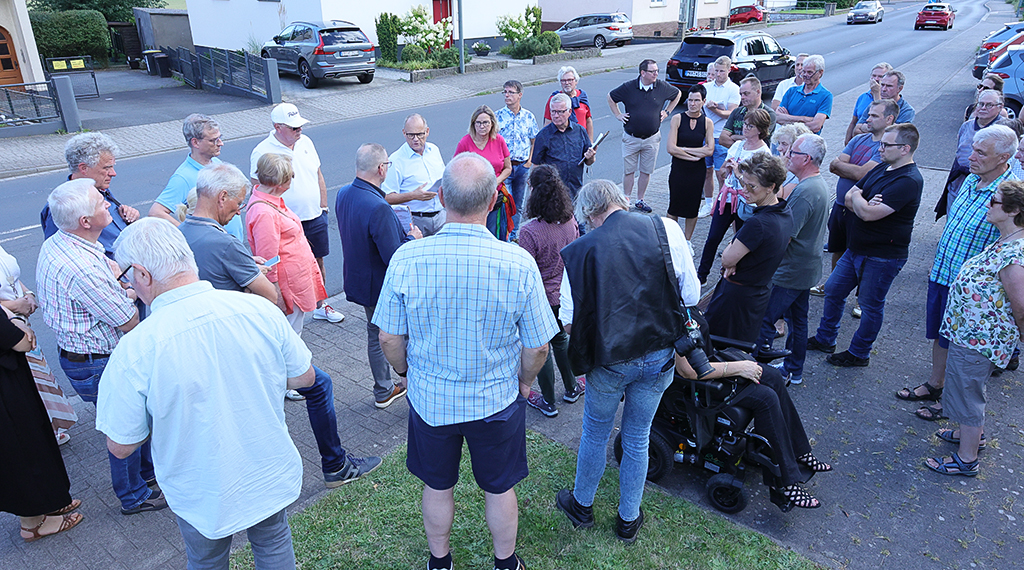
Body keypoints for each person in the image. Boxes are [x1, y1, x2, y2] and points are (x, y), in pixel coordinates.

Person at [95, 217, 316, 569]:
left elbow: (121, 445)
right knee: (274, 543)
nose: (128, 286)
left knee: (206, 560)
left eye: (126, 277)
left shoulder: (136, 349)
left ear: (143, 274)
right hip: (266, 465)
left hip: (199, 485)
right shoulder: (259, 311)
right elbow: (304, 377)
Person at [374, 152, 557, 570]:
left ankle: (439, 562)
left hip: (431, 400)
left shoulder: (407, 258)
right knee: (499, 488)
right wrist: (525, 383)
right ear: (493, 200)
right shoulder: (518, 263)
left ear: (441, 198)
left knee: (437, 486)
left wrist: (405, 373)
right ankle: (505, 563)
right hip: (495, 401)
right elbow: (538, 348)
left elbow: (388, 336)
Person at [184, 163, 383, 486]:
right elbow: (266, 294)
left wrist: (246, 268)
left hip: (213, 344)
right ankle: (334, 465)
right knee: (317, 385)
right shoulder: (225, 242)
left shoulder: (183, 234)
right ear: (221, 197)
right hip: (242, 340)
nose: (239, 210)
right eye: (237, 203)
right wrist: (255, 277)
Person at [554, 179, 700, 543]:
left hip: (610, 361)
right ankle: (628, 519)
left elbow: (569, 322)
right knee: (637, 437)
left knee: (595, 433)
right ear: (621, 200)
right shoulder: (666, 228)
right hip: (659, 354)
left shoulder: (580, 250)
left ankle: (582, 506)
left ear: (588, 213)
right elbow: (691, 294)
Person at [36, 179, 163, 516]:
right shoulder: (81, 268)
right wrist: (132, 293)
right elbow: (128, 320)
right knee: (126, 424)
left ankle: (147, 474)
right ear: (85, 221)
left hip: (87, 356)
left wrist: (120, 289)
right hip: (98, 361)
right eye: (100, 202)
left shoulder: (64, 241)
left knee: (136, 417)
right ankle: (134, 495)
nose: (108, 204)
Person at [899, 125, 1017, 419]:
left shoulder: (1008, 195)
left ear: (1003, 158)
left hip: (972, 291)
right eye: (973, 149)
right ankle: (936, 384)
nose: (970, 157)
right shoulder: (971, 179)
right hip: (944, 272)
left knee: (962, 348)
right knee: (940, 334)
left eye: (980, 153)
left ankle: (950, 404)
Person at [676, 312, 830, 508]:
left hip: (712, 364)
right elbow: (687, 371)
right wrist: (739, 368)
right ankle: (785, 482)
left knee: (774, 376)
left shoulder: (687, 306)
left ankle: (799, 451)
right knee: (766, 398)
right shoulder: (672, 314)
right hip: (699, 384)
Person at [925, 181, 1024, 477]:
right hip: (969, 334)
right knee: (964, 387)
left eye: (994, 201)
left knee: (968, 393)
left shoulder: (1015, 254)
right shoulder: (1006, 240)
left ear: (1014, 210)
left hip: (981, 339)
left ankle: (966, 459)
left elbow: (1020, 304)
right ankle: (970, 435)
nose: (988, 204)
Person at [807, 124, 924, 367]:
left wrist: (861, 200)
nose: (880, 148)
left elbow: (869, 214)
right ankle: (826, 338)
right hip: (856, 248)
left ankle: (859, 353)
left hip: (882, 256)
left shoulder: (909, 180)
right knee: (834, 290)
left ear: (905, 149)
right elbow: (849, 197)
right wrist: (864, 200)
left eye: (886, 145)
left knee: (871, 306)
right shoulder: (882, 167)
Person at [336, 143, 418, 409]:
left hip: (358, 278)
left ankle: (384, 388)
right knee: (391, 335)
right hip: (381, 285)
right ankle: (400, 386)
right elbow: (394, 256)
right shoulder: (378, 206)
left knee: (374, 333)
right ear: (382, 168)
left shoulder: (344, 193)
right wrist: (412, 238)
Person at [249, 103, 343, 324]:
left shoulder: (306, 142)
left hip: (314, 215)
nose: (299, 129)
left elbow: (318, 174)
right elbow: (258, 186)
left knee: (316, 262)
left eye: (300, 125)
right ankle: (289, 308)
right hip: (283, 223)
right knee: (288, 269)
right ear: (278, 127)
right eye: (293, 127)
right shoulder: (262, 151)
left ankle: (320, 305)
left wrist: (323, 207)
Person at [1, 307, 84, 542]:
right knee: (22, 450)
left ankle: (48, 502)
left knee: (29, 444)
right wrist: (18, 323)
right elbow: (22, 343)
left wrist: (13, 320)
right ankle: (33, 523)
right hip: (6, 392)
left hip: (9, 386)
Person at [754, 134, 830, 385]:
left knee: (765, 320)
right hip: (806, 268)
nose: (786, 156)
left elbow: (785, 236)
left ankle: (759, 374)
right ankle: (793, 370)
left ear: (806, 159)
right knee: (798, 320)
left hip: (790, 271)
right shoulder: (816, 185)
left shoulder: (805, 191)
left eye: (792, 152)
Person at [704, 153, 794, 344]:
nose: (744, 190)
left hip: (736, 299)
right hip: (758, 294)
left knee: (717, 347)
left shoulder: (758, 223)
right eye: (743, 183)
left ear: (771, 187)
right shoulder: (784, 212)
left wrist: (732, 252)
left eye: (752, 186)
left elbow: (727, 259)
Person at [518, 165, 583, 417]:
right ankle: (572, 387)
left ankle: (547, 400)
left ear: (534, 191)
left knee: (540, 347)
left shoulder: (529, 231)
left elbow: (526, 270)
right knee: (561, 340)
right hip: (563, 294)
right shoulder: (570, 221)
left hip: (540, 298)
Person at [815, 99, 896, 298]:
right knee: (837, 248)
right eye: (868, 115)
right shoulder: (858, 139)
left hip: (860, 209)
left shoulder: (886, 148)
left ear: (889, 119)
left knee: (862, 254)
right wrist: (851, 169)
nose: (867, 119)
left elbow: (862, 174)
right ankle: (833, 287)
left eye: (874, 115)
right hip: (840, 206)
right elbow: (833, 166)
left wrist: (846, 168)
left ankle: (861, 298)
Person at [0, 245, 77, 445]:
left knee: (39, 377)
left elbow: (11, 276)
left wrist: (28, 294)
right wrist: (13, 306)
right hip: (8, 327)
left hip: (21, 319)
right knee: (26, 381)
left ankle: (50, 427)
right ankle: (39, 433)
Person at [247, 154, 328, 335]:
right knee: (291, 334)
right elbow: (268, 259)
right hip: (288, 286)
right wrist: (276, 293)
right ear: (281, 182)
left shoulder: (270, 201)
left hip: (293, 280)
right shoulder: (264, 212)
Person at [696, 109, 774, 285]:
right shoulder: (738, 145)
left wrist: (739, 173)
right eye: (745, 124)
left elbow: (758, 186)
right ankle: (701, 275)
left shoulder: (764, 154)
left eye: (750, 126)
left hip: (746, 202)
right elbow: (723, 171)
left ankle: (731, 274)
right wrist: (726, 169)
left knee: (739, 241)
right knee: (713, 237)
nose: (745, 128)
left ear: (760, 130)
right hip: (728, 198)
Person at [41, 132, 141, 258]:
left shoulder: (98, 189)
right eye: (106, 168)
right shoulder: (63, 206)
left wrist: (130, 219)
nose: (113, 173)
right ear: (84, 168)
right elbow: (60, 253)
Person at [149, 114, 246, 243]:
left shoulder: (216, 164)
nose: (220, 143)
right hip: (214, 248)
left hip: (232, 244)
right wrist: (188, 234)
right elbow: (156, 212)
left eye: (220, 138)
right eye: (213, 140)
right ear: (195, 142)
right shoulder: (183, 177)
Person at [607, 58, 681, 213]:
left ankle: (640, 200)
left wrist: (667, 111)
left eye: (657, 71)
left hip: (652, 138)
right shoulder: (629, 87)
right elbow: (611, 97)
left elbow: (678, 94)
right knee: (629, 171)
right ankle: (626, 199)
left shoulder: (661, 87)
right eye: (652, 71)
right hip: (631, 137)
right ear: (642, 73)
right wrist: (618, 115)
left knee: (646, 171)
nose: (656, 74)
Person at [937, 89, 1011, 218]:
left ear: (1000, 107)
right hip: (958, 185)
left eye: (989, 105)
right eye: (980, 104)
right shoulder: (966, 126)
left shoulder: (1003, 131)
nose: (983, 108)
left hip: (985, 187)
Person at [454, 105, 514, 240]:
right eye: (479, 123)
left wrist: (495, 182)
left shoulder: (499, 140)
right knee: (476, 236)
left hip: (495, 196)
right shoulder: (465, 143)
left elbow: (508, 168)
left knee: (494, 235)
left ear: (492, 123)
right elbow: (455, 169)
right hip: (473, 199)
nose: (482, 126)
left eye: (486, 122)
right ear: (473, 124)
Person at [384, 114, 446, 237]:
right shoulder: (396, 160)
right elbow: (387, 197)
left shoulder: (434, 150)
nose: (416, 139)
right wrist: (413, 196)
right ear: (404, 133)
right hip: (416, 220)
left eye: (420, 134)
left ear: (427, 131)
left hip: (441, 216)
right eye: (411, 135)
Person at [667, 84, 715, 240]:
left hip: (697, 172)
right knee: (674, 207)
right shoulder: (677, 119)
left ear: (703, 101)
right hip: (679, 169)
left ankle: (687, 240)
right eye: (690, 100)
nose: (692, 104)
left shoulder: (707, 122)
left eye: (696, 100)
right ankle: (673, 239)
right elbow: (671, 148)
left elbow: (710, 150)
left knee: (692, 208)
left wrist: (684, 149)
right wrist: (693, 155)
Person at [496, 80, 540, 242]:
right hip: (505, 168)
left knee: (519, 204)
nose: (507, 95)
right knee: (506, 202)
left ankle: (515, 236)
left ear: (520, 95)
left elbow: (535, 140)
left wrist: (530, 162)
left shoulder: (528, 116)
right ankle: (505, 236)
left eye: (510, 92)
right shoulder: (497, 116)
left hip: (522, 166)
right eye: (505, 92)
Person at [532, 93, 597, 199]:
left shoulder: (580, 131)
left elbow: (589, 162)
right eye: (553, 111)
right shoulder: (543, 135)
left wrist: (591, 157)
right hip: (552, 193)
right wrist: (534, 189)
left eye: (560, 112)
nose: (556, 115)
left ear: (569, 112)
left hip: (575, 190)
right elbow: (536, 165)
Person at [700, 55, 741, 219]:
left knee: (721, 173)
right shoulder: (706, 87)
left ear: (729, 70)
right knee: (706, 171)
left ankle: (723, 203)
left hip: (721, 136)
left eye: (722, 71)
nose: (718, 74)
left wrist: (715, 109)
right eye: (716, 71)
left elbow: (731, 113)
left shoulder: (733, 89)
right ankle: (708, 203)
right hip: (706, 135)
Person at [776, 54, 832, 135]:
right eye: (804, 72)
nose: (805, 75)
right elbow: (777, 117)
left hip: (807, 141)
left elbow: (816, 126)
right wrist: (805, 119)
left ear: (820, 73)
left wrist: (788, 119)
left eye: (810, 72)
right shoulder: (791, 91)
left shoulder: (826, 96)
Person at [851, 70, 915, 138]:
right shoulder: (873, 105)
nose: (884, 89)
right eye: (882, 85)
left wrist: (864, 127)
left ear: (899, 89)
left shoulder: (907, 111)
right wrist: (879, 130)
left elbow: (894, 136)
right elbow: (856, 130)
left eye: (889, 86)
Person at [720, 76, 777, 150]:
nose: (742, 97)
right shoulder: (736, 112)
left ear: (758, 92)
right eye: (741, 94)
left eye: (746, 93)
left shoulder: (769, 114)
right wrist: (742, 148)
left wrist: (734, 137)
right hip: (736, 155)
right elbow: (722, 139)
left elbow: (758, 139)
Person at [844, 62, 892, 144]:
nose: (876, 79)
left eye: (880, 76)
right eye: (874, 76)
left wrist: (877, 93)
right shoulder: (863, 97)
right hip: (858, 142)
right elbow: (854, 122)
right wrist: (847, 142)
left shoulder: (889, 100)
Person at [543, 66, 594, 142]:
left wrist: (590, 142)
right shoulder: (554, 99)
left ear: (576, 81)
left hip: (581, 141)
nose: (567, 83)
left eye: (570, 80)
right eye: (563, 80)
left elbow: (588, 121)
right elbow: (548, 123)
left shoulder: (582, 97)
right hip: (561, 142)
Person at [772, 123, 812, 200]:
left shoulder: (797, 175)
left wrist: (779, 168)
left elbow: (776, 198)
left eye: (784, 144)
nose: (779, 148)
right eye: (779, 143)